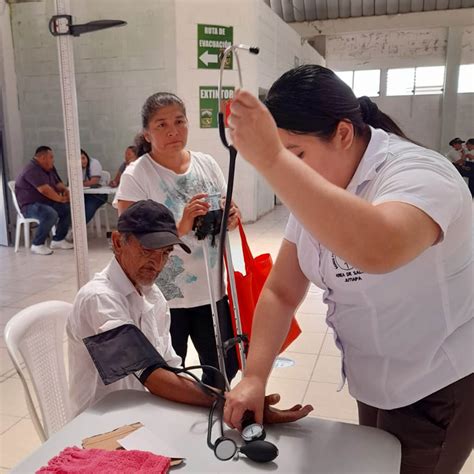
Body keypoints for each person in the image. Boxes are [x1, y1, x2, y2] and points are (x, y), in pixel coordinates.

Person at [223, 65, 473, 474]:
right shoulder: (323, 187)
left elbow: (380, 247)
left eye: (297, 155)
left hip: (436, 386)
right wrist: (254, 375)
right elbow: (281, 290)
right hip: (374, 380)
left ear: (342, 133)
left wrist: (271, 158)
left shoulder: (420, 173)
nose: (290, 173)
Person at [67, 199, 313, 426]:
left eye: (165, 254)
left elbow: (171, 369)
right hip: (99, 424)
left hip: (142, 416)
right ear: (119, 241)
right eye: (147, 251)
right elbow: (153, 377)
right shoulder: (99, 298)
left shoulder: (153, 297)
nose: (157, 264)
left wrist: (240, 400)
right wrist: (232, 402)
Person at [115, 93, 240, 388]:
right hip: (164, 296)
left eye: (179, 121)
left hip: (212, 290)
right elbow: (128, 237)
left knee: (223, 370)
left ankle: (217, 419)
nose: (173, 130)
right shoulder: (137, 175)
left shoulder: (207, 164)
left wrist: (231, 216)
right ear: (147, 132)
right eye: (161, 124)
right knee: (170, 376)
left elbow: (226, 209)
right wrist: (180, 226)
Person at [14, 146, 73, 255]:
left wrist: (66, 191)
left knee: (67, 209)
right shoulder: (31, 169)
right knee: (50, 214)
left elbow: (57, 183)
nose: (53, 160)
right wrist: (60, 199)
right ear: (42, 158)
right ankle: (37, 244)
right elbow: (44, 190)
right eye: (51, 157)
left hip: (45, 202)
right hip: (29, 206)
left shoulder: (49, 167)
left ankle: (58, 240)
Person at [81, 149, 108, 223]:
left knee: (89, 207)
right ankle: (68, 227)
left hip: (97, 195)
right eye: (79, 160)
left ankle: (78, 226)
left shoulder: (94, 163)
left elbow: (93, 181)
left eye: (83, 158)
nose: (82, 161)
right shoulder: (75, 167)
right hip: (83, 194)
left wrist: (80, 183)